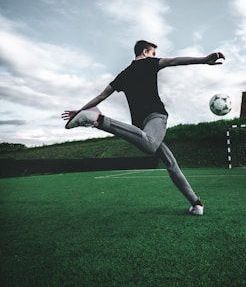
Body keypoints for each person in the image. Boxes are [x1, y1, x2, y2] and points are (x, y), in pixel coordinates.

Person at [62, 40, 225, 215]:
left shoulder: (123, 75)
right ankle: (99, 121)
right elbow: (175, 61)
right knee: (150, 145)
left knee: (170, 162)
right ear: (146, 52)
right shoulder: (150, 63)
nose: (155, 56)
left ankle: (196, 203)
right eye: (153, 53)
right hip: (156, 116)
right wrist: (203, 59)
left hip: (142, 127)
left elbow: (101, 96)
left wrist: (79, 110)